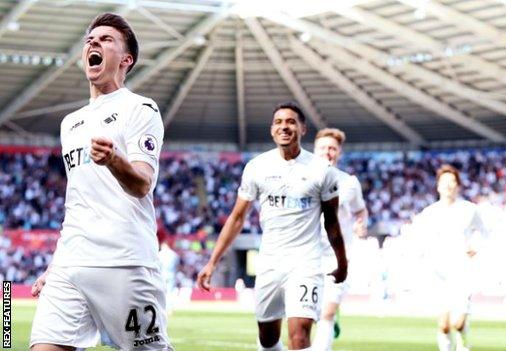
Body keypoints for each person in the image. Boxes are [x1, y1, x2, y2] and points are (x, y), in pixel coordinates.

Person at [29, 13, 172, 350]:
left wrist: (114, 160)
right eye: (91, 39)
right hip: (72, 264)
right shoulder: (71, 123)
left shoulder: (141, 109)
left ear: (126, 60)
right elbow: (78, 201)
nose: (94, 43)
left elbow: (142, 184)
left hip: (125, 261)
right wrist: (56, 264)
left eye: (106, 39)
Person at [196, 102, 348, 351]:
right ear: (272, 130)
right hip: (270, 261)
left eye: (290, 122)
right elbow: (237, 217)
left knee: (299, 336)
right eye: (278, 122)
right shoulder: (257, 167)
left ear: (302, 129)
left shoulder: (322, 171)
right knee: (267, 338)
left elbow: (332, 222)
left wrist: (342, 263)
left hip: (306, 262)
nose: (284, 127)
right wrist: (212, 261)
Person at [416, 165, 486, 351]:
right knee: (444, 325)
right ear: (438, 186)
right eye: (444, 182)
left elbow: (484, 232)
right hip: (438, 273)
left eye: (452, 182)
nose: (448, 186)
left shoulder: (469, 209)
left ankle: (463, 340)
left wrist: (476, 246)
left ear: (458, 186)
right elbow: (420, 240)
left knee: (458, 323)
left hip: (462, 271)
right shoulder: (429, 213)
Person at [311, 128, 368, 350]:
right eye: (323, 148)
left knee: (327, 312)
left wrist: (361, 224)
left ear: (339, 153)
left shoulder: (350, 183)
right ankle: (332, 320)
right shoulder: (301, 178)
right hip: (307, 253)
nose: (328, 152)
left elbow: (360, 211)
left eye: (332, 148)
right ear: (314, 151)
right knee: (309, 313)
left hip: (337, 255)